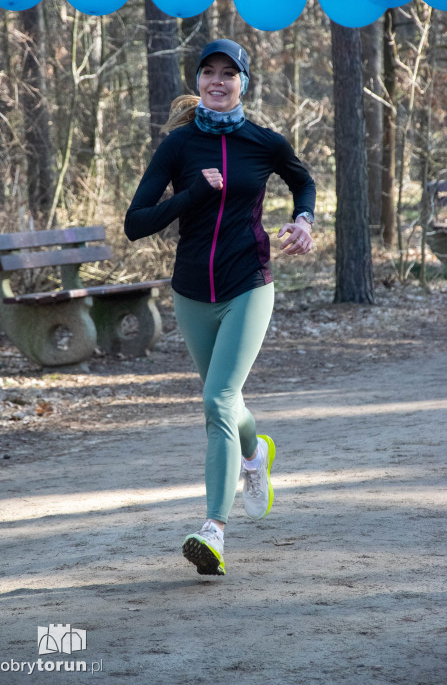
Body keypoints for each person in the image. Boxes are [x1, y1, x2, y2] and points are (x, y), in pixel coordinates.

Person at [125, 39, 315, 576]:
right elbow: (136, 223)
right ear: (199, 81)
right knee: (225, 403)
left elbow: (302, 179)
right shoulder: (179, 145)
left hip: (248, 284)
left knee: (218, 400)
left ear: (242, 83)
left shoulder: (264, 142)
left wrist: (304, 220)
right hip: (191, 292)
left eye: (228, 73)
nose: (217, 80)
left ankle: (214, 530)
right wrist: (192, 195)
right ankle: (255, 454)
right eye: (209, 71)